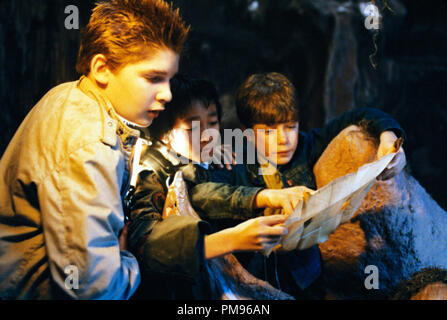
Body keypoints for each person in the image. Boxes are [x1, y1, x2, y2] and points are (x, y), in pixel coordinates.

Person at [0, 0, 191, 299]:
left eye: (170, 80)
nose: (167, 94)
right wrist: (129, 260)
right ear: (102, 68)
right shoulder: (89, 145)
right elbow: (94, 288)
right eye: (153, 78)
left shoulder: (70, 95)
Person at [183, 72, 407, 299]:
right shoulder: (234, 158)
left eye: (290, 127)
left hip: (308, 279)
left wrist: (389, 138)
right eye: (269, 131)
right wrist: (265, 196)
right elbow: (202, 195)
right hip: (252, 284)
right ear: (247, 133)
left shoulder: (307, 146)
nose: (284, 139)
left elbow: (364, 114)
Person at [125, 74, 288, 299]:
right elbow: (147, 247)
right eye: (192, 128)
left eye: (212, 123)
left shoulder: (211, 158)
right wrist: (232, 239)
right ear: (165, 134)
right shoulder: (151, 171)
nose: (207, 136)